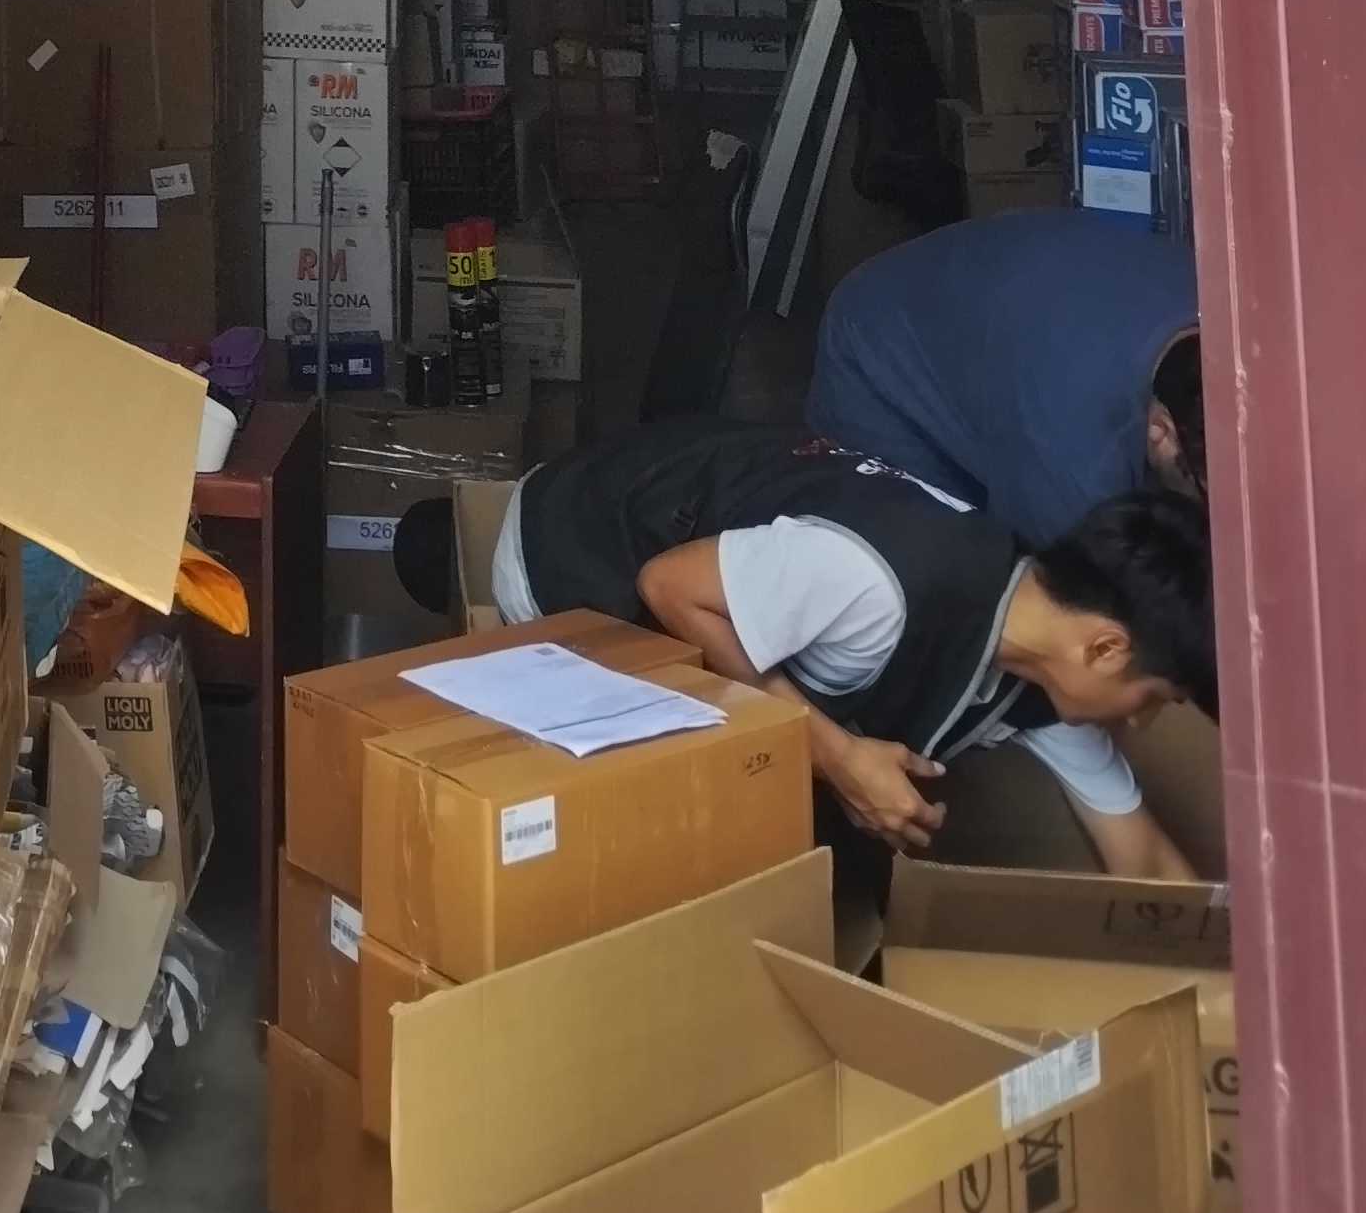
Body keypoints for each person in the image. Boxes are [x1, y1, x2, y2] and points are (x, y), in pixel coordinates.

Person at [393, 418, 1212, 879]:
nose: (1142, 721)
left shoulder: (1038, 676)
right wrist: (838, 756)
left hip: (713, 526)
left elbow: (1142, 857)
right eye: (1156, 698)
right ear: (1106, 648)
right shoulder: (881, 588)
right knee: (659, 848)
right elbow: (668, 588)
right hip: (572, 553)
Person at [807, 210, 1206, 545]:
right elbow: (1070, 584)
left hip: (1001, 305)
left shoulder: (1224, 307)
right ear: (1161, 431)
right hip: (881, 351)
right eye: (1205, 495)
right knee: (933, 559)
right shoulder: (1072, 450)